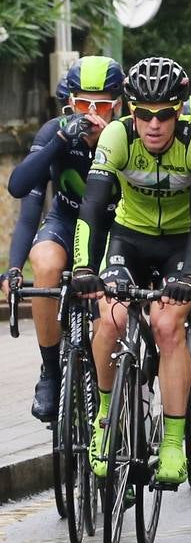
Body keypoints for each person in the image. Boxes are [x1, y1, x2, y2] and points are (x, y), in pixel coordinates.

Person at [71, 56, 191, 487]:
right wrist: (84, 266)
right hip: (129, 238)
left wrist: (190, 276)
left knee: (168, 325)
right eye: (144, 115)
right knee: (111, 318)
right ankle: (105, 417)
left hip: (180, 242)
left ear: (180, 111)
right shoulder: (116, 136)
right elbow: (93, 206)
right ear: (130, 112)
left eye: (165, 114)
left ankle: (173, 440)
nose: (154, 124)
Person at [6, 56, 124, 421]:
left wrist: (108, 143)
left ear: (117, 105)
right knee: (45, 265)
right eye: (83, 103)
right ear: (70, 102)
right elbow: (22, 192)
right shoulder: (55, 130)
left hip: (112, 229)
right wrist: (60, 140)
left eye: (101, 104)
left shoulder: (128, 136)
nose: (92, 113)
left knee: (112, 315)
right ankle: (50, 372)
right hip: (66, 220)